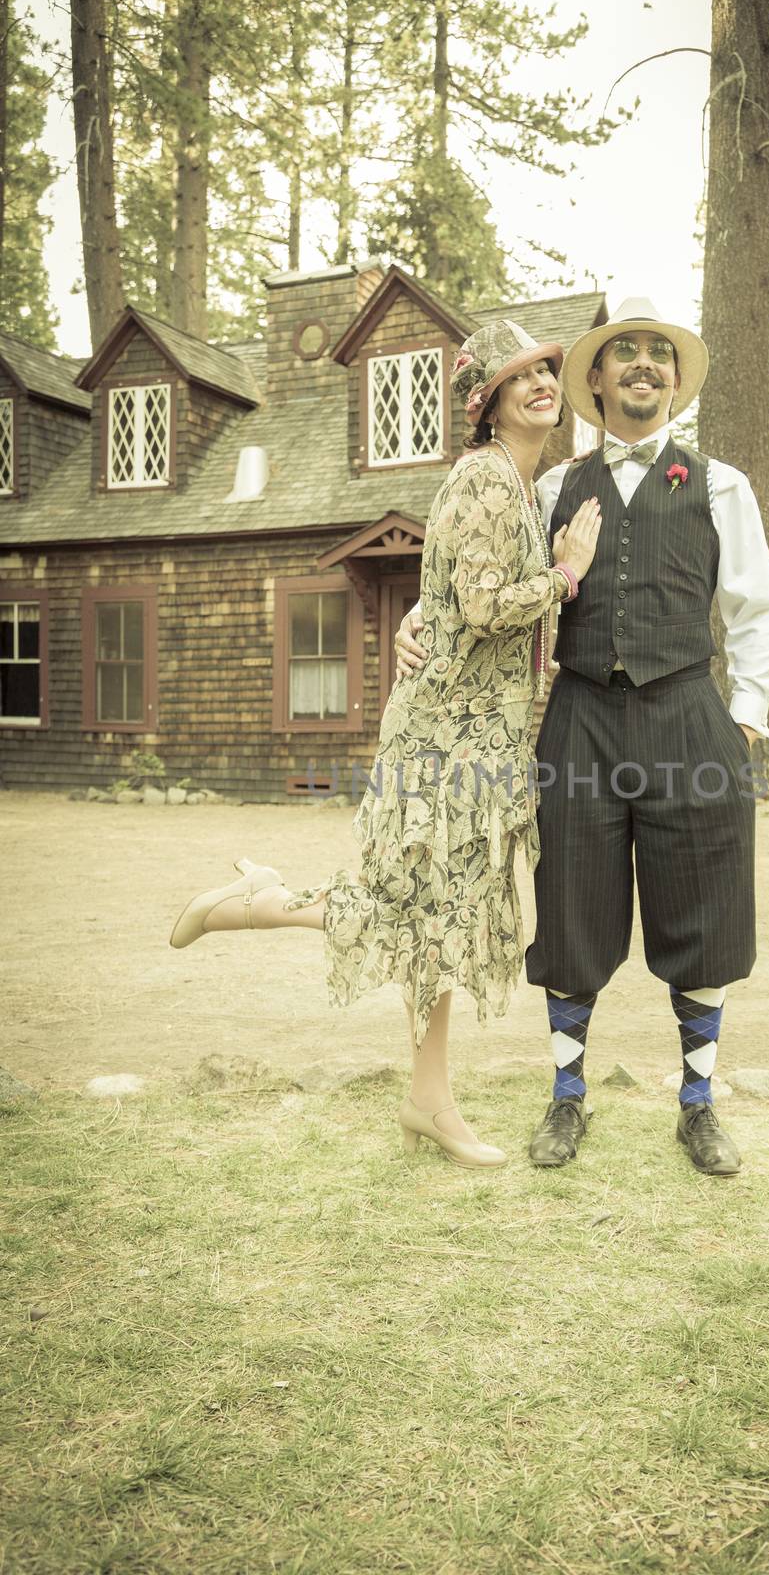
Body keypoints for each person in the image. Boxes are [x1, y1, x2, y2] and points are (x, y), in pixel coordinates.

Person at [169, 320, 601, 1170]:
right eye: (522, 379)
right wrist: (565, 575)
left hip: (484, 743)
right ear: (489, 405)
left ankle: (427, 1101)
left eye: (547, 372)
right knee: (415, 912)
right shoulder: (482, 475)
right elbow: (480, 607)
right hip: (443, 743)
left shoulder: (522, 484)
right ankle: (256, 905)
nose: (543, 384)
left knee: (436, 924)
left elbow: (447, 600)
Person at [396, 300, 769, 1175]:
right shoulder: (548, 487)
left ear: (675, 381)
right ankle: (566, 1099)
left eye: (659, 355)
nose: (643, 365)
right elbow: (481, 567)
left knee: (703, 914)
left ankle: (697, 1106)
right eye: (625, 355)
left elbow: (757, 608)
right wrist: (418, 617)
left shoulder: (720, 484)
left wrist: (746, 716)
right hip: (577, 723)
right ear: (598, 381)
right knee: (572, 913)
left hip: (690, 715)